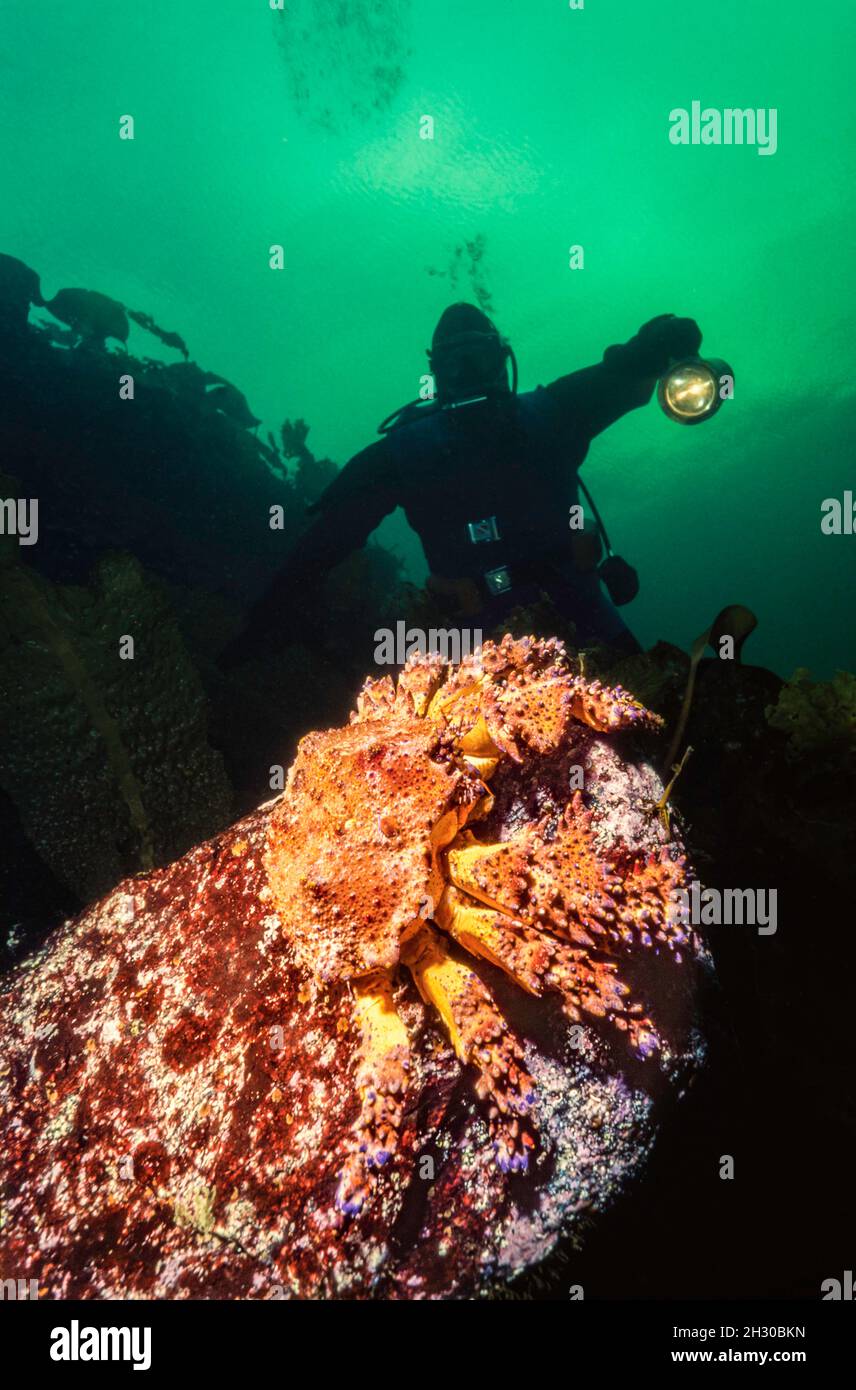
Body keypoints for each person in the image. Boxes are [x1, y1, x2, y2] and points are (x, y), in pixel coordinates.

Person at [222, 303, 702, 664]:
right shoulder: (406, 454)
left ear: (503, 360)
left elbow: (621, 371)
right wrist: (266, 621)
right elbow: (321, 548)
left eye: (480, 358)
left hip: (582, 615)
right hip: (476, 646)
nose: (468, 373)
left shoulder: (552, 414)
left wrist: (653, 347)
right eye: (455, 363)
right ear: (435, 373)